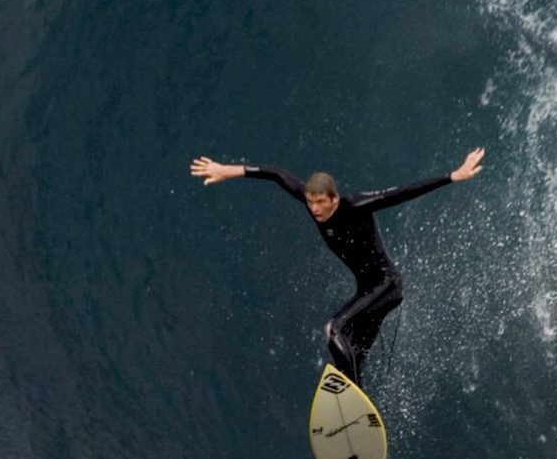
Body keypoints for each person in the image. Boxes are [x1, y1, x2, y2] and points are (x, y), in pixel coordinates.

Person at [189, 148, 485, 384]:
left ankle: (351, 400)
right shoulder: (311, 203)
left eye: (320, 203)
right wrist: (227, 170)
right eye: (310, 202)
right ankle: (359, 412)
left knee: (333, 331)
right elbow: (277, 174)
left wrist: (453, 176)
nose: (314, 209)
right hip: (368, 294)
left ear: (333, 198)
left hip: (387, 286)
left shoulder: (355, 206)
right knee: (353, 355)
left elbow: (402, 193)